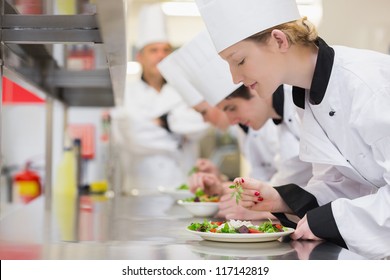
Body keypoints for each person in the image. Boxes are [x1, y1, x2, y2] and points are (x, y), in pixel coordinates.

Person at [195, 0, 390, 259]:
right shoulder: (307, 97)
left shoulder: (368, 85)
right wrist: (281, 199)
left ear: (279, 40)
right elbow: (341, 181)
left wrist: (329, 220)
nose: (234, 78)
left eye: (240, 60)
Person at [159, 30, 312, 221]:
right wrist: (223, 186)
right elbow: (272, 183)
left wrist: (264, 210)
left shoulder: (299, 109)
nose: (230, 120)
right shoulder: (274, 122)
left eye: (230, 108)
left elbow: (313, 189)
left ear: (253, 88)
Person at [110, 4, 207, 194]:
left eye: (166, 50)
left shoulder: (187, 91)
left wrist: (159, 123)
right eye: (153, 50)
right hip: (141, 190)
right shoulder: (125, 94)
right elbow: (131, 136)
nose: (161, 55)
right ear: (140, 57)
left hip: (184, 189)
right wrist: (178, 135)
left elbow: (202, 125)